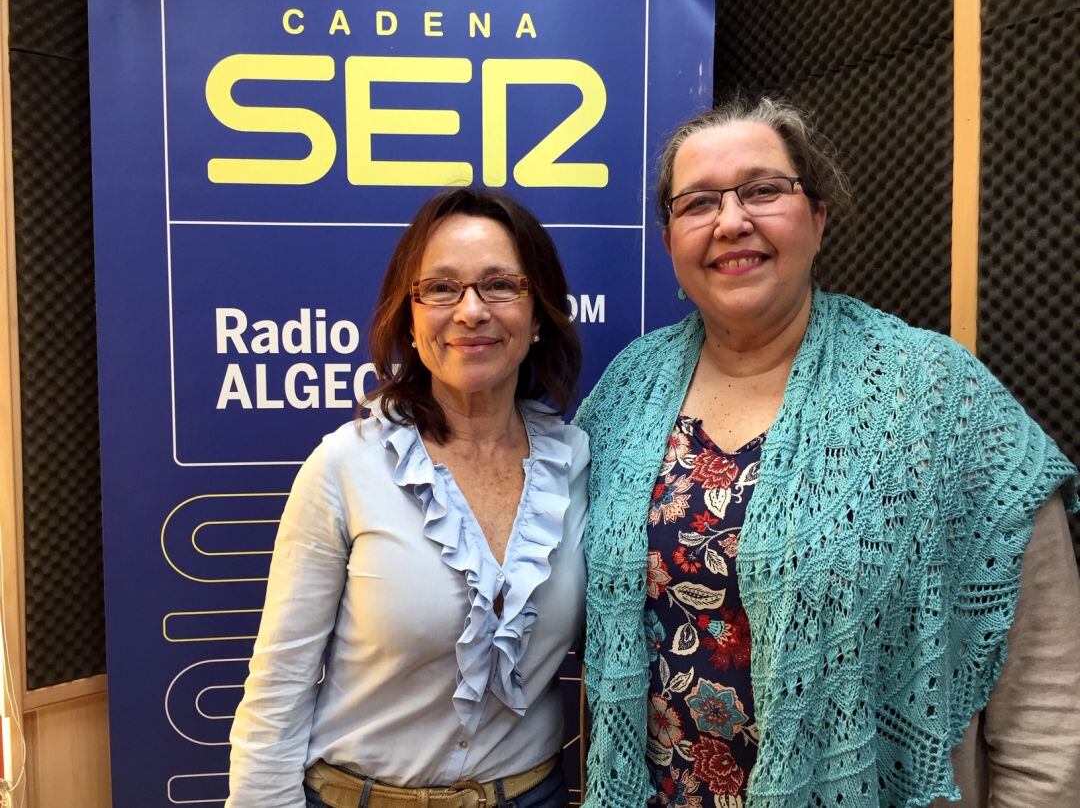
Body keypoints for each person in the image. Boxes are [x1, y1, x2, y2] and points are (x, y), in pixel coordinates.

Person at [577, 97, 1080, 807]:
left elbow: (1048, 703)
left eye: (762, 190)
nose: (731, 221)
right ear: (669, 242)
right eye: (698, 204)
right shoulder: (625, 393)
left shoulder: (936, 395)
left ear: (817, 216)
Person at [226, 188, 588, 808]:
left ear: (537, 316)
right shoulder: (345, 466)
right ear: (410, 318)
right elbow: (278, 691)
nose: (471, 311)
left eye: (500, 284)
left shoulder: (579, 462)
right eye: (441, 288)